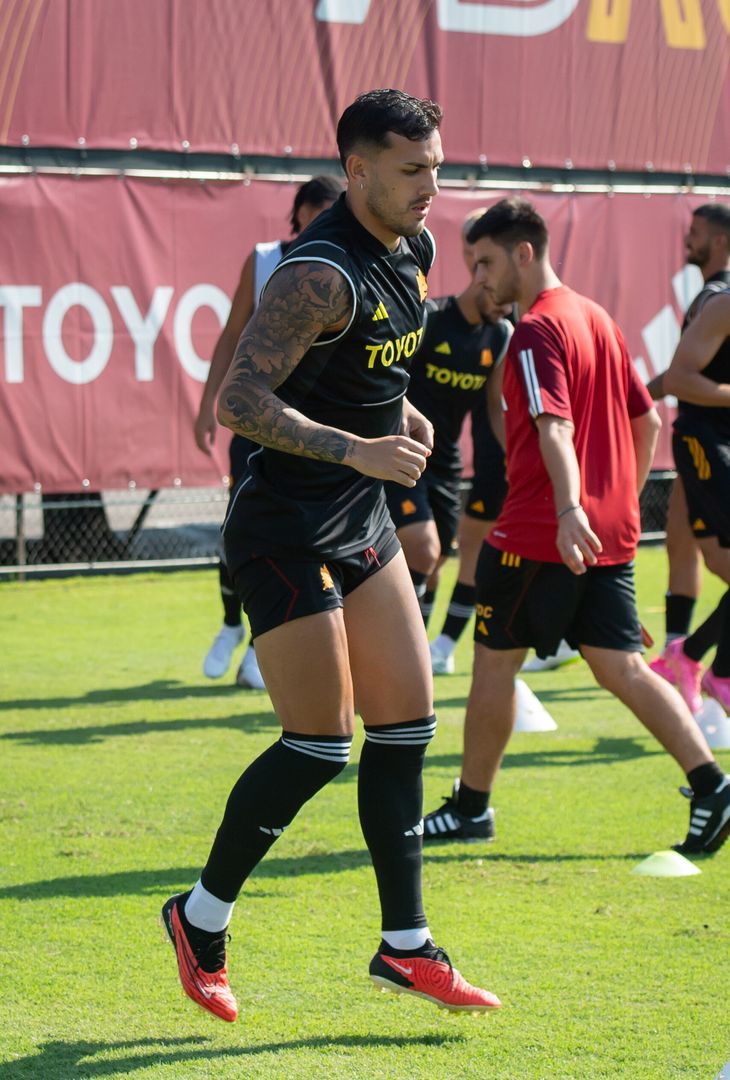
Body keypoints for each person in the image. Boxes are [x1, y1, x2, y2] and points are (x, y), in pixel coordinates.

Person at [162, 89, 501, 1022]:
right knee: (320, 742)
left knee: (407, 725)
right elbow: (239, 400)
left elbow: (375, 372)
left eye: (437, 165)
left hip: (360, 518)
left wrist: (400, 416)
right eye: (412, 169)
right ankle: (201, 919)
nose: (432, 186)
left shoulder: (419, 248)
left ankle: (406, 947)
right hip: (281, 526)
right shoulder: (317, 274)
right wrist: (359, 448)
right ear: (357, 170)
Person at [422, 197, 730, 855]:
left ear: (523, 253)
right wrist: (614, 498)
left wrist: (568, 509)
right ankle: (712, 786)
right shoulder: (596, 318)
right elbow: (647, 419)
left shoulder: (535, 329)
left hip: (541, 532)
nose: (480, 279)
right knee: (622, 667)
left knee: (493, 665)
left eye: (485, 262)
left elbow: (553, 426)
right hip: (603, 533)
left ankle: (471, 808)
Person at [196, 176, 344, 689]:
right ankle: (231, 624)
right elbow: (232, 334)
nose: (324, 221)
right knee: (241, 527)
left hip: (311, 426)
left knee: (303, 538)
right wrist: (205, 406)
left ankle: (263, 648)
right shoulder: (264, 260)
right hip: (259, 419)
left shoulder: (346, 265)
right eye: (317, 212)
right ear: (298, 214)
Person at [382, 218, 513, 663]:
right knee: (424, 547)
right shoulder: (431, 318)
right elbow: (388, 379)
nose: (507, 307)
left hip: (446, 459)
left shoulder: (502, 334)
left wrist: (513, 453)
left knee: (435, 562)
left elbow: (495, 407)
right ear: (479, 279)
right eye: (502, 298)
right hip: (403, 449)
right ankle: (403, 650)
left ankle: (418, 652)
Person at [648, 203, 730, 711]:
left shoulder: (714, 297)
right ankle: (703, 663)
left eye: (696, 234)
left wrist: (627, 399)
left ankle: (690, 656)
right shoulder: (719, 299)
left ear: (719, 241)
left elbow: (678, 376)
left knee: (710, 559)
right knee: (685, 548)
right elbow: (681, 378)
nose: (686, 241)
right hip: (705, 442)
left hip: (711, 442)